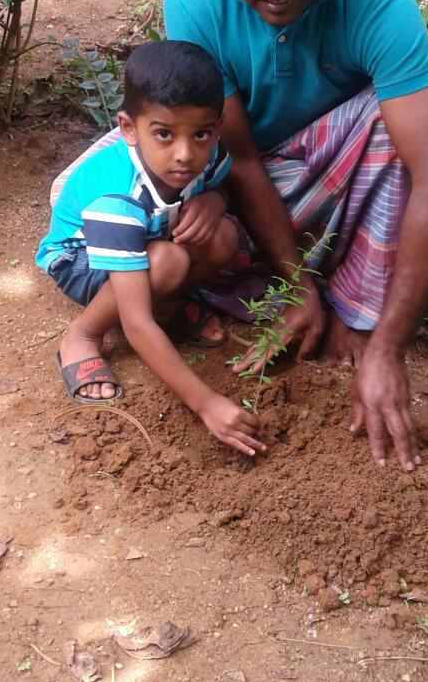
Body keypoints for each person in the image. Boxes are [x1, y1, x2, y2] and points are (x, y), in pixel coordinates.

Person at [163, 0, 428, 472]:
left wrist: (389, 347)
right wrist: (296, 285)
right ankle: (288, 287)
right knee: (107, 190)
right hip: (242, 172)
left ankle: (356, 318)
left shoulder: (378, 3)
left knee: (394, 123)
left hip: (328, 173)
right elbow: (240, 157)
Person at [36, 39, 266, 458]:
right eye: (163, 134)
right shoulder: (116, 199)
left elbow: (221, 187)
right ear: (128, 128)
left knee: (222, 236)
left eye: (201, 133)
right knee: (166, 262)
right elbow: (136, 324)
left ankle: (164, 303)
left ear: (218, 126)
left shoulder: (212, 156)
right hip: (79, 258)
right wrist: (206, 403)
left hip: (145, 238)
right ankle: (83, 334)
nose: (185, 155)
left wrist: (214, 202)